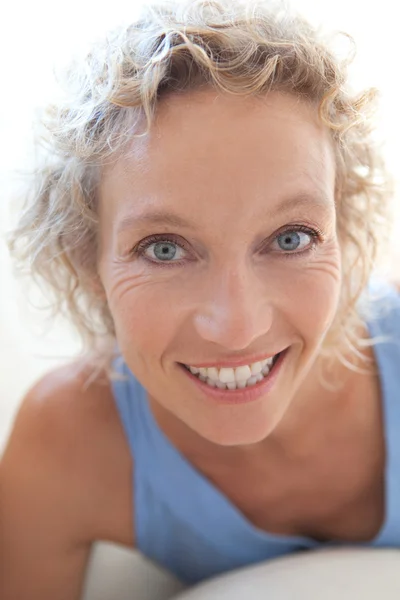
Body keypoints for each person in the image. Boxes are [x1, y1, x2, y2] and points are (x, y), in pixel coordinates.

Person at [1, 0, 399, 598]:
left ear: (343, 230)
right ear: (88, 260)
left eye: (291, 239)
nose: (236, 327)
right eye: (164, 249)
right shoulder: (67, 444)